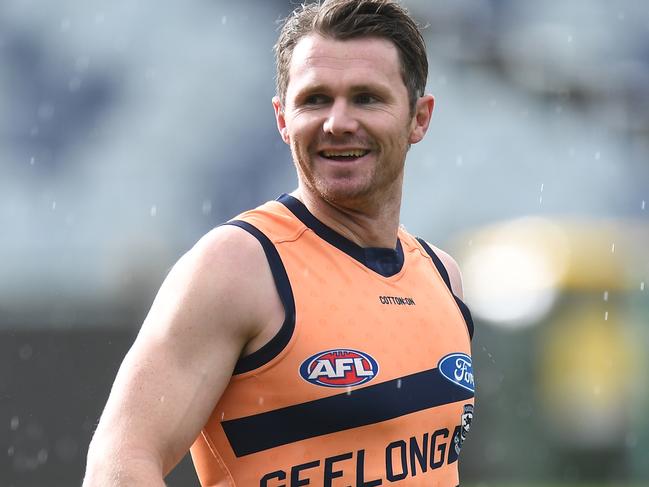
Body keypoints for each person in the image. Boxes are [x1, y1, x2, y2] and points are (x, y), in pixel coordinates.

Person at [82, 0, 475, 485]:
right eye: (314, 99)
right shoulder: (240, 266)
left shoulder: (442, 277)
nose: (338, 122)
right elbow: (118, 465)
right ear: (282, 118)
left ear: (419, 118)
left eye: (366, 98)